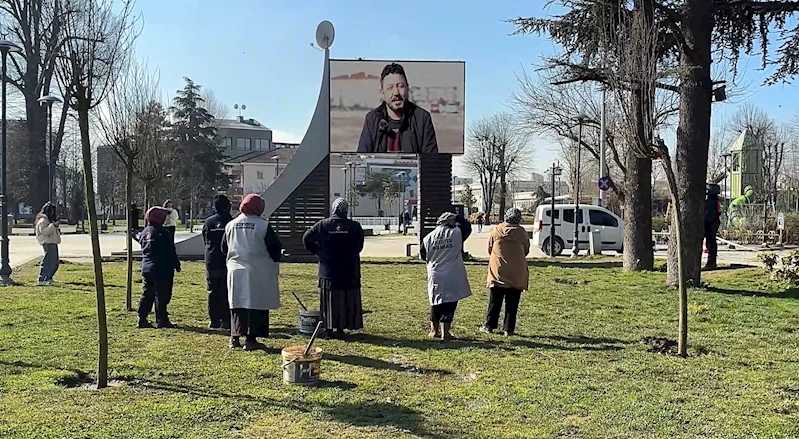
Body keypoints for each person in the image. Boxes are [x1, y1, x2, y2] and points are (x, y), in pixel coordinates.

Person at [223, 194, 282, 351]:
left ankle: (234, 337)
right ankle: (251, 339)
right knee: (255, 304)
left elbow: (224, 247)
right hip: (257, 270)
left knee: (236, 303)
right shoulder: (263, 225)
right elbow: (274, 248)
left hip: (235, 269)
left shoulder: (231, 224)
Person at [303, 198, 365, 340]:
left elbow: (306, 238)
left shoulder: (322, 225)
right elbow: (359, 246)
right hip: (349, 269)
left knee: (329, 300)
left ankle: (329, 328)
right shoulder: (354, 226)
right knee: (346, 299)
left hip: (328, 270)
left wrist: (318, 251)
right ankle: (342, 328)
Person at [356, 63, 438, 153]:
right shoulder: (372, 119)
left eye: (400, 86)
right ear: (382, 91)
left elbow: (431, 161)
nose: (396, 92)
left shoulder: (422, 119)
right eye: (390, 88)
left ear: (407, 88)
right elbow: (362, 159)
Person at [420, 212, 472, 340]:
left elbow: (423, 255)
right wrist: (458, 217)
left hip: (435, 272)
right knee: (450, 301)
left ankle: (434, 330)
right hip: (452, 272)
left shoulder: (428, 237)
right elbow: (467, 227)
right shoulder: (456, 233)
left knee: (435, 301)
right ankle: (446, 332)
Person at [481, 207, 530, 336]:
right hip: (517, 273)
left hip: (498, 272)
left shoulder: (496, 230)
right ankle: (509, 329)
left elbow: (489, 248)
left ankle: (489, 326)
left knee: (494, 301)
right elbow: (526, 250)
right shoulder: (522, 233)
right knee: (512, 303)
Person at [137, 206, 181, 329]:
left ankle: (142, 318)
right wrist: (176, 264)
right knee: (162, 294)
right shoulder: (163, 233)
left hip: (146, 266)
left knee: (147, 293)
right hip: (161, 268)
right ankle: (162, 319)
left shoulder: (145, 232)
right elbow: (170, 251)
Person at [203, 195, 233, 330]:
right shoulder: (231, 222)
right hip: (226, 260)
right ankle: (226, 320)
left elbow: (205, 240)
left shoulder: (208, 223)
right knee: (227, 290)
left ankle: (214, 320)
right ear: (228, 207)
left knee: (213, 290)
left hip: (211, 260)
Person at [34, 202, 61, 286]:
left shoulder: (48, 220)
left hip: (52, 242)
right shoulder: (43, 220)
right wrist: (53, 225)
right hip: (47, 242)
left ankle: (49, 277)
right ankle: (42, 278)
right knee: (48, 261)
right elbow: (45, 232)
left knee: (54, 262)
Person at [704, 184, 722, 270]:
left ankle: (711, 263)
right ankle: (711, 262)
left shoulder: (710, 202)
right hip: (713, 223)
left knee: (710, 243)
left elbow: (709, 215)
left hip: (710, 224)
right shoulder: (715, 201)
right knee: (711, 243)